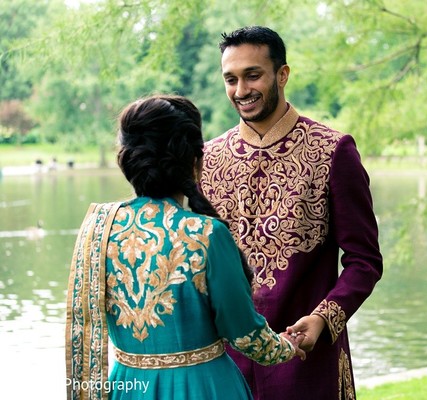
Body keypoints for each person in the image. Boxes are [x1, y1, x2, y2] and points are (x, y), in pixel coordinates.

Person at [65, 94, 306, 400]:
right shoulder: (206, 234)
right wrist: (288, 346)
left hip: (128, 388)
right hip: (203, 387)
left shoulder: (98, 229)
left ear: (126, 158)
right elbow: (247, 336)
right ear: (194, 160)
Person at [200, 26, 384, 399]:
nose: (241, 90)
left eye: (253, 75)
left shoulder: (332, 151)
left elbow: (364, 261)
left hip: (307, 359)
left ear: (282, 75)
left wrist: (323, 319)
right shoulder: (207, 160)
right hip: (225, 365)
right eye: (230, 79)